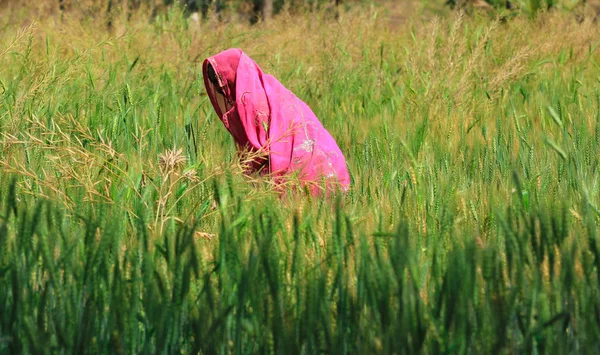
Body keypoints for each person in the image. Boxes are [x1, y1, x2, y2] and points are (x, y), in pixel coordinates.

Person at [202, 48, 350, 195]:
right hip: (329, 166)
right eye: (215, 83)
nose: (221, 88)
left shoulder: (250, 101)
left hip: (305, 170)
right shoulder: (269, 85)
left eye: (221, 81)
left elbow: (258, 151)